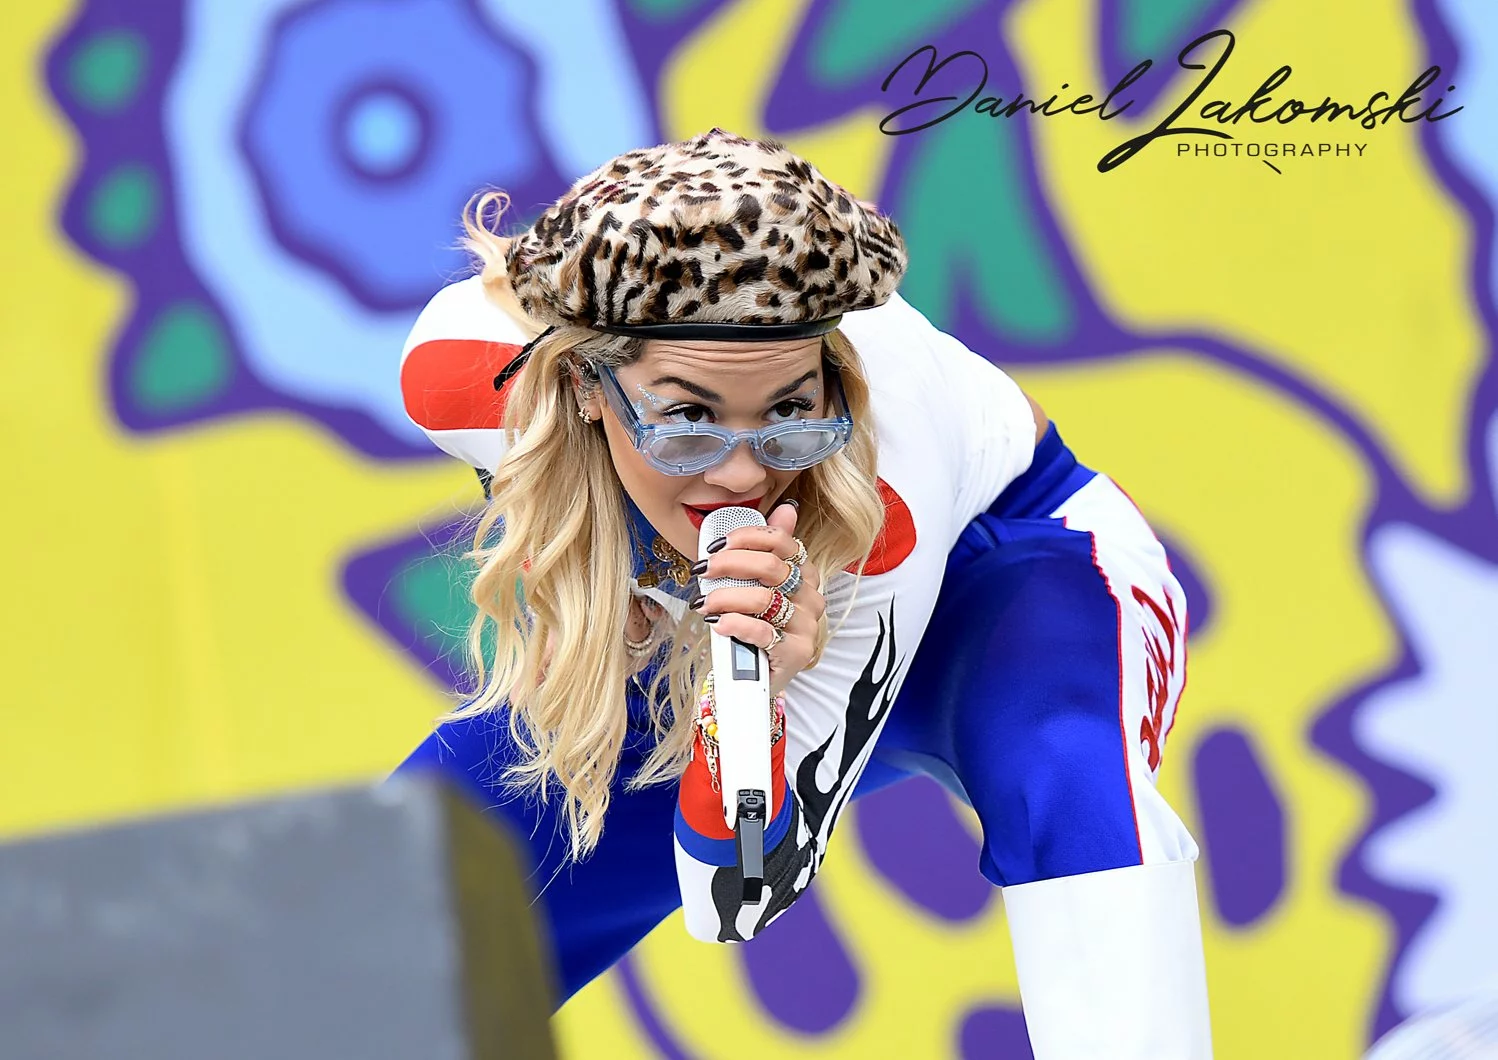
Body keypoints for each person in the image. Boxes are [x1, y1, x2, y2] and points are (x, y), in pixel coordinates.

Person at [396, 129, 1212, 1058]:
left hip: (1005, 573)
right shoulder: (461, 375)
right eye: (688, 418)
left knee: (1058, 759)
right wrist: (613, 578)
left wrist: (747, 700)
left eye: (789, 411)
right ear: (585, 385)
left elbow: (738, 898)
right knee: (378, 931)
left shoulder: (881, 509)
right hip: (708, 612)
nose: (744, 475)